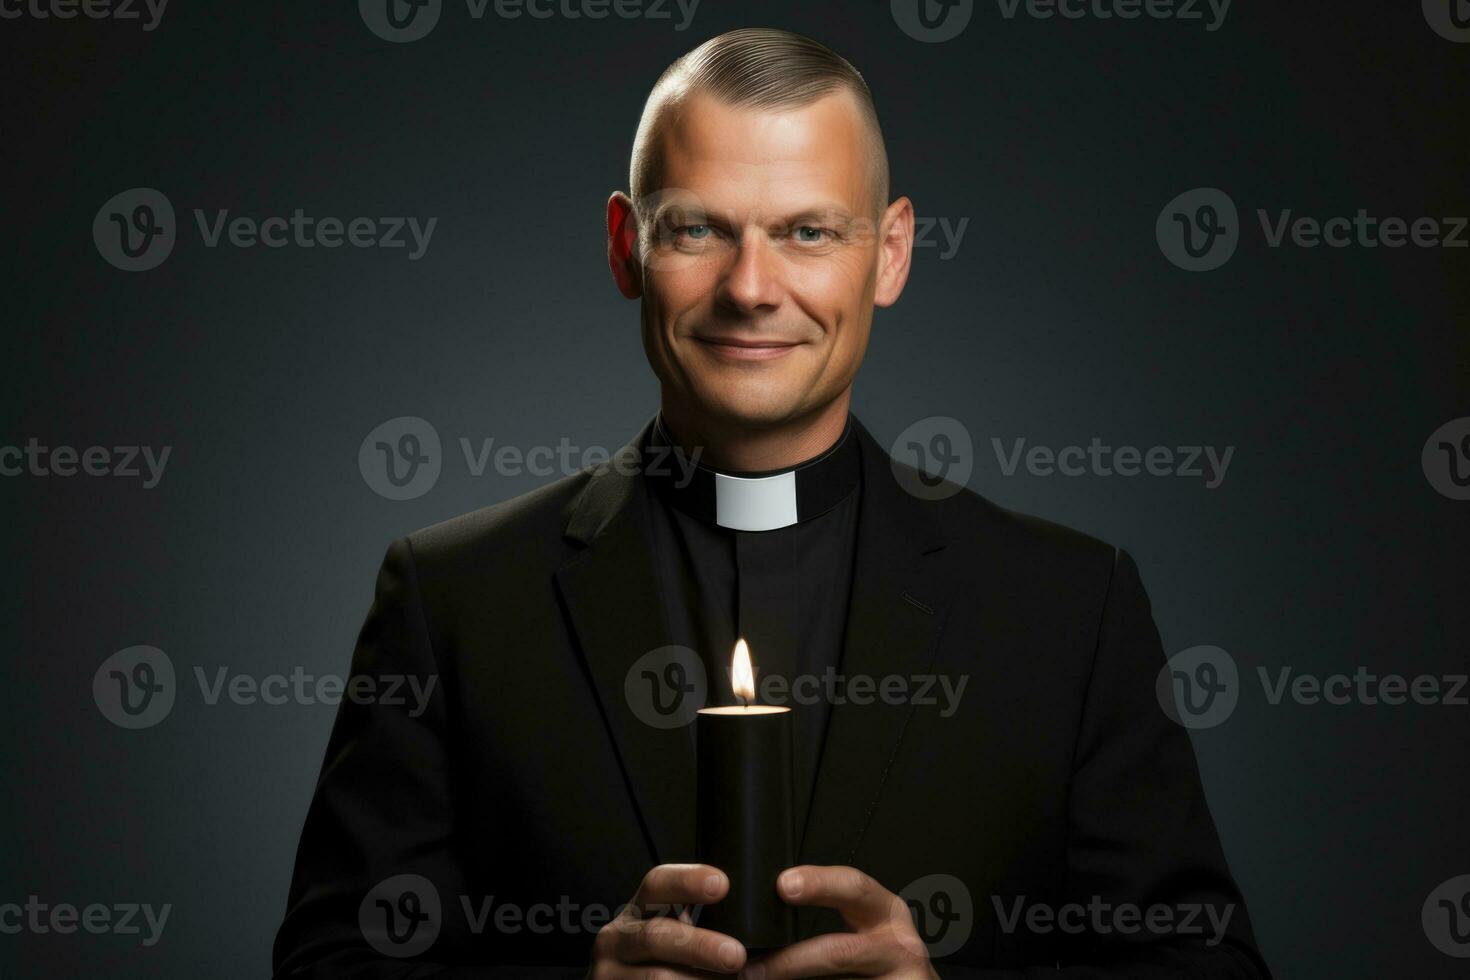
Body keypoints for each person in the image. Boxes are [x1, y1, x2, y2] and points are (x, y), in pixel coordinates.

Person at [274, 27, 1270, 979]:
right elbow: (331, 963)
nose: (751, 287)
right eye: (699, 227)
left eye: (807, 231)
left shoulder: (1069, 606)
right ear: (627, 246)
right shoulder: (453, 599)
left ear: (888, 253)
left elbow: (1210, 968)